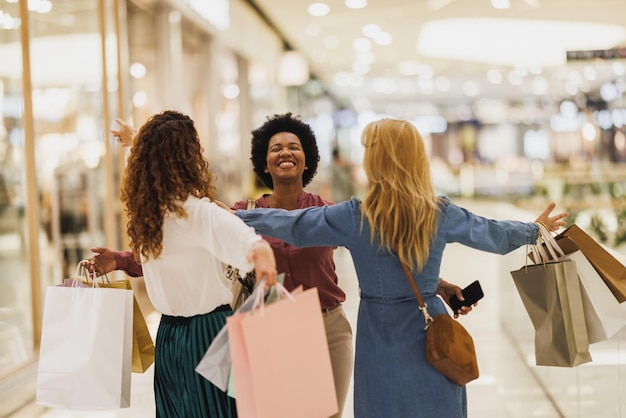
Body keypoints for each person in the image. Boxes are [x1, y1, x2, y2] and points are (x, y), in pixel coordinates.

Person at [86, 113, 476, 418]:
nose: (285, 152)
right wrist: (121, 258)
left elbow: (385, 251)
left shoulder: (328, 212)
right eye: (275, 147)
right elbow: (178, 238)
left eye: (294, 145)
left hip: (328, 327)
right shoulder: (239, 212)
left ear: (307, 157)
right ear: (264, 162)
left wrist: (435, 284)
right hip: (270, 327)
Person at [231, 118, 568, 418]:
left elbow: (295, 225)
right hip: (429, 330)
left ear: (379, 159)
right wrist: (532, 230)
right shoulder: (438, 212)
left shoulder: (355, 216)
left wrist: (237, 217)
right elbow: (492, 235)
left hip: (378, 336)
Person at [112, 109, 277, 418]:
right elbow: (249, 242)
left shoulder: (148, 213)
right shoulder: (198, 212)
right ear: (187, 157)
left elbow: (248, 243)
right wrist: (262, 255)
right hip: (208, 335)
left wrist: (135, 144)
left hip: (170, 338)